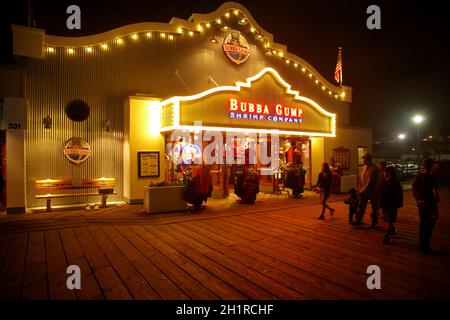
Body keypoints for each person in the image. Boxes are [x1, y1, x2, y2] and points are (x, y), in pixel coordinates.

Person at [412, 158, 440, 255]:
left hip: (421, 204)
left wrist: (418, 200)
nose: (436, 165)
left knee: (423, 223)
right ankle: (426, 247)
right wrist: (436, 199)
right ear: (431, 165)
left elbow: (414, 188)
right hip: (430, 204)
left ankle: (422, 245)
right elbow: (434, 191)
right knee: (429, 225)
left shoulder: (419, 175)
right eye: (434, 164)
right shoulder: (430, 177)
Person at [379, 166, 403, 244]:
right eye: (384, 172)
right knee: (388, 219)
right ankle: (392, 230)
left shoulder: (394, 183)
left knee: (390, 219)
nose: (384, 173)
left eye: (386, 172)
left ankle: (388, 234)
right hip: (386, 204)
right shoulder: (384, 182)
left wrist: (398, 203)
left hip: (392, 204)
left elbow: (398, 194)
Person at [358, 154, 380, 228]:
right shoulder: (362, 168)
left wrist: (375, 189)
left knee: (374, 207)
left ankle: (374, 222)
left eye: (366, 159)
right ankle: (359, 220)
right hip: (363, 190)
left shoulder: (375, 168)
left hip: (372, 190)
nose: (364, 160)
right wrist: (360, 189)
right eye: (364, 159)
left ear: (370, 159)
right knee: (361, 206)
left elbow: (378, 180)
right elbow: (361, 180)